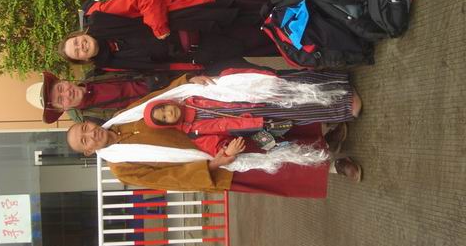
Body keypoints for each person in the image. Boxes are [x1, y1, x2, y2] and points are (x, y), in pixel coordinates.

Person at [65, 72, 363, 197]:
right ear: (89, 151)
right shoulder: (121, 167)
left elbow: (158, 99)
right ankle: (334, 165)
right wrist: (217, 162)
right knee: (278, 164)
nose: (90, 134)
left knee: (270, 121)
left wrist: (187, 80)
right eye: (84, 141)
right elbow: (172, 179)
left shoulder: (121, 117)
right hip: (215, 159)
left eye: (85, 128)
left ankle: (326, 139)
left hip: (211, 122)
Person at [57, 0, 280, 73]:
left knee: (259, 8)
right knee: (263, 42)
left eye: (76, 42)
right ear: (83, 60)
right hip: (200, 50)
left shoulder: (104, 17)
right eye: (77, 52)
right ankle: (301, 39)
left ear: (79, 34)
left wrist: (159, 28)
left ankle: (299, 0)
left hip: (195, 16)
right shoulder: (110, 63)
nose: (80, 46)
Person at [25, 71, 215, 123]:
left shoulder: (95, 73)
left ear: (63, 81)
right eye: (61, 99)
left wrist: (186, 78)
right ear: (63, 109)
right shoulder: (93, 122)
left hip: (183, 82)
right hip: (179, 115)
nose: (67, 93)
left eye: (61, 88)